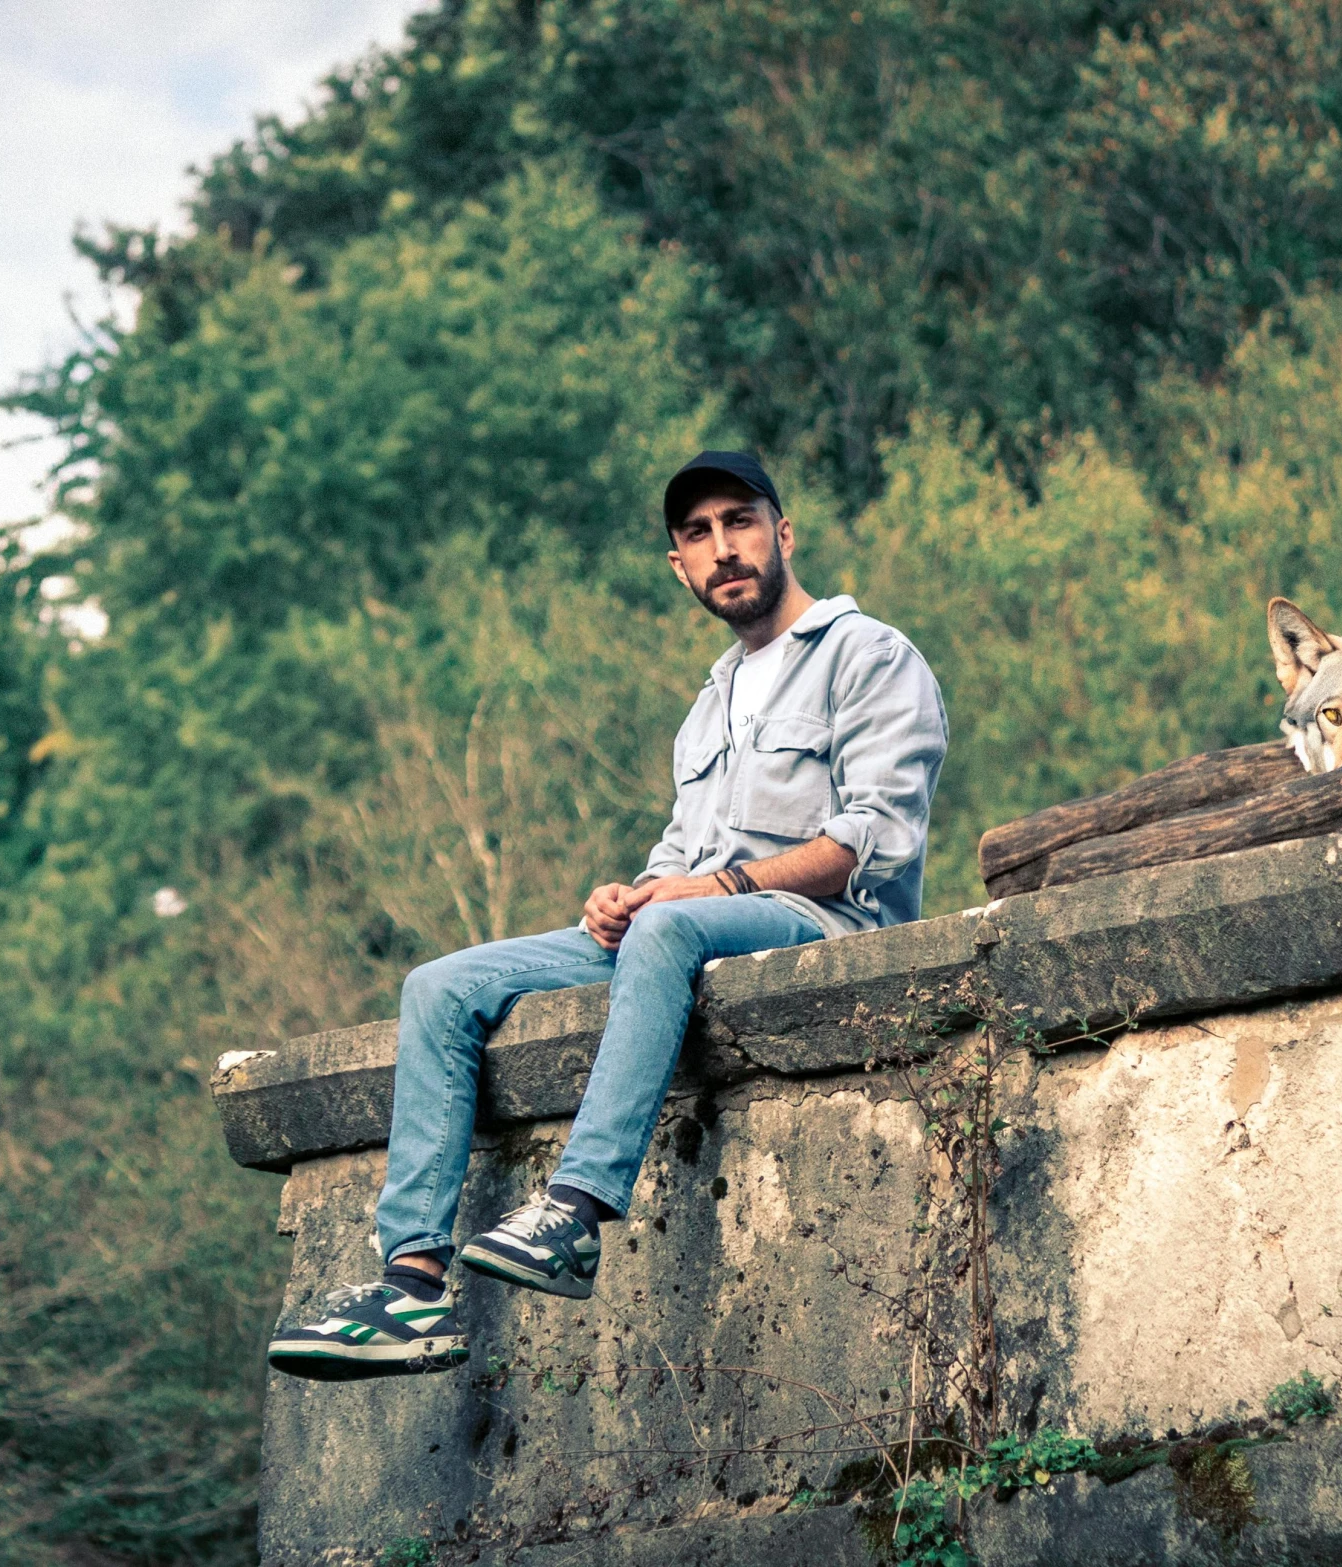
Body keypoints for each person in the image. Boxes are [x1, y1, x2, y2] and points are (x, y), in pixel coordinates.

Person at [267, 451, 949, 1381]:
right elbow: (680, 856)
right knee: (441, 985)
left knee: (668, 927)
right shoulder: (709, 705)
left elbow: (871, 843)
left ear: (783, 534)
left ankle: (576, 1215)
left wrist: (699, 896)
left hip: (822, 926)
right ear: (680, 566)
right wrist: (628, 894)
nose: (724, 548)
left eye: (740, 522)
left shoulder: (869, 654)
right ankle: (412, 1285)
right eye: (698, 535)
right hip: (690, 928)